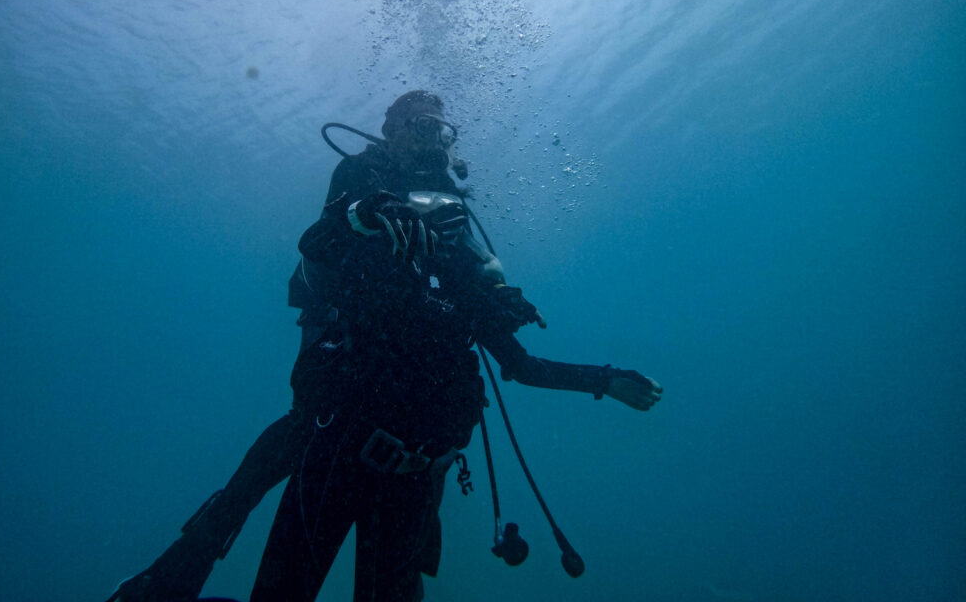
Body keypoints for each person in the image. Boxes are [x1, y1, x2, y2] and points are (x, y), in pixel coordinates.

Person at [104, 90, 662, 602]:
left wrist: (603, 380)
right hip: (337, 450)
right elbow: (317, 241)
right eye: (421, 126)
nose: (435, 141)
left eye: (444, 132)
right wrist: (365, 214)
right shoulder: (364, 199)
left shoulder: (460, 268)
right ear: (392, 131)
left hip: (415, 482)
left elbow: (521, 365)